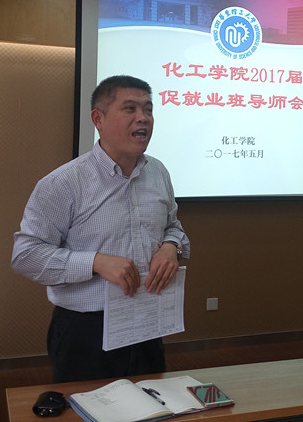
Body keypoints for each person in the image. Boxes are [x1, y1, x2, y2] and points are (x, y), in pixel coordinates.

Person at [11, 75, 190, 382]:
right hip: (86, 330)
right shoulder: (64, 183)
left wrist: (171, 246)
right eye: (130, 109)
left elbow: (173, 226)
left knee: (153, 402)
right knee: (87, 406)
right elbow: (25, 256)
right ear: (98, 119)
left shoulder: (158, 172)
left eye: (148, 109)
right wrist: (95, 262)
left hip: (148, 321)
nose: (143, 118)